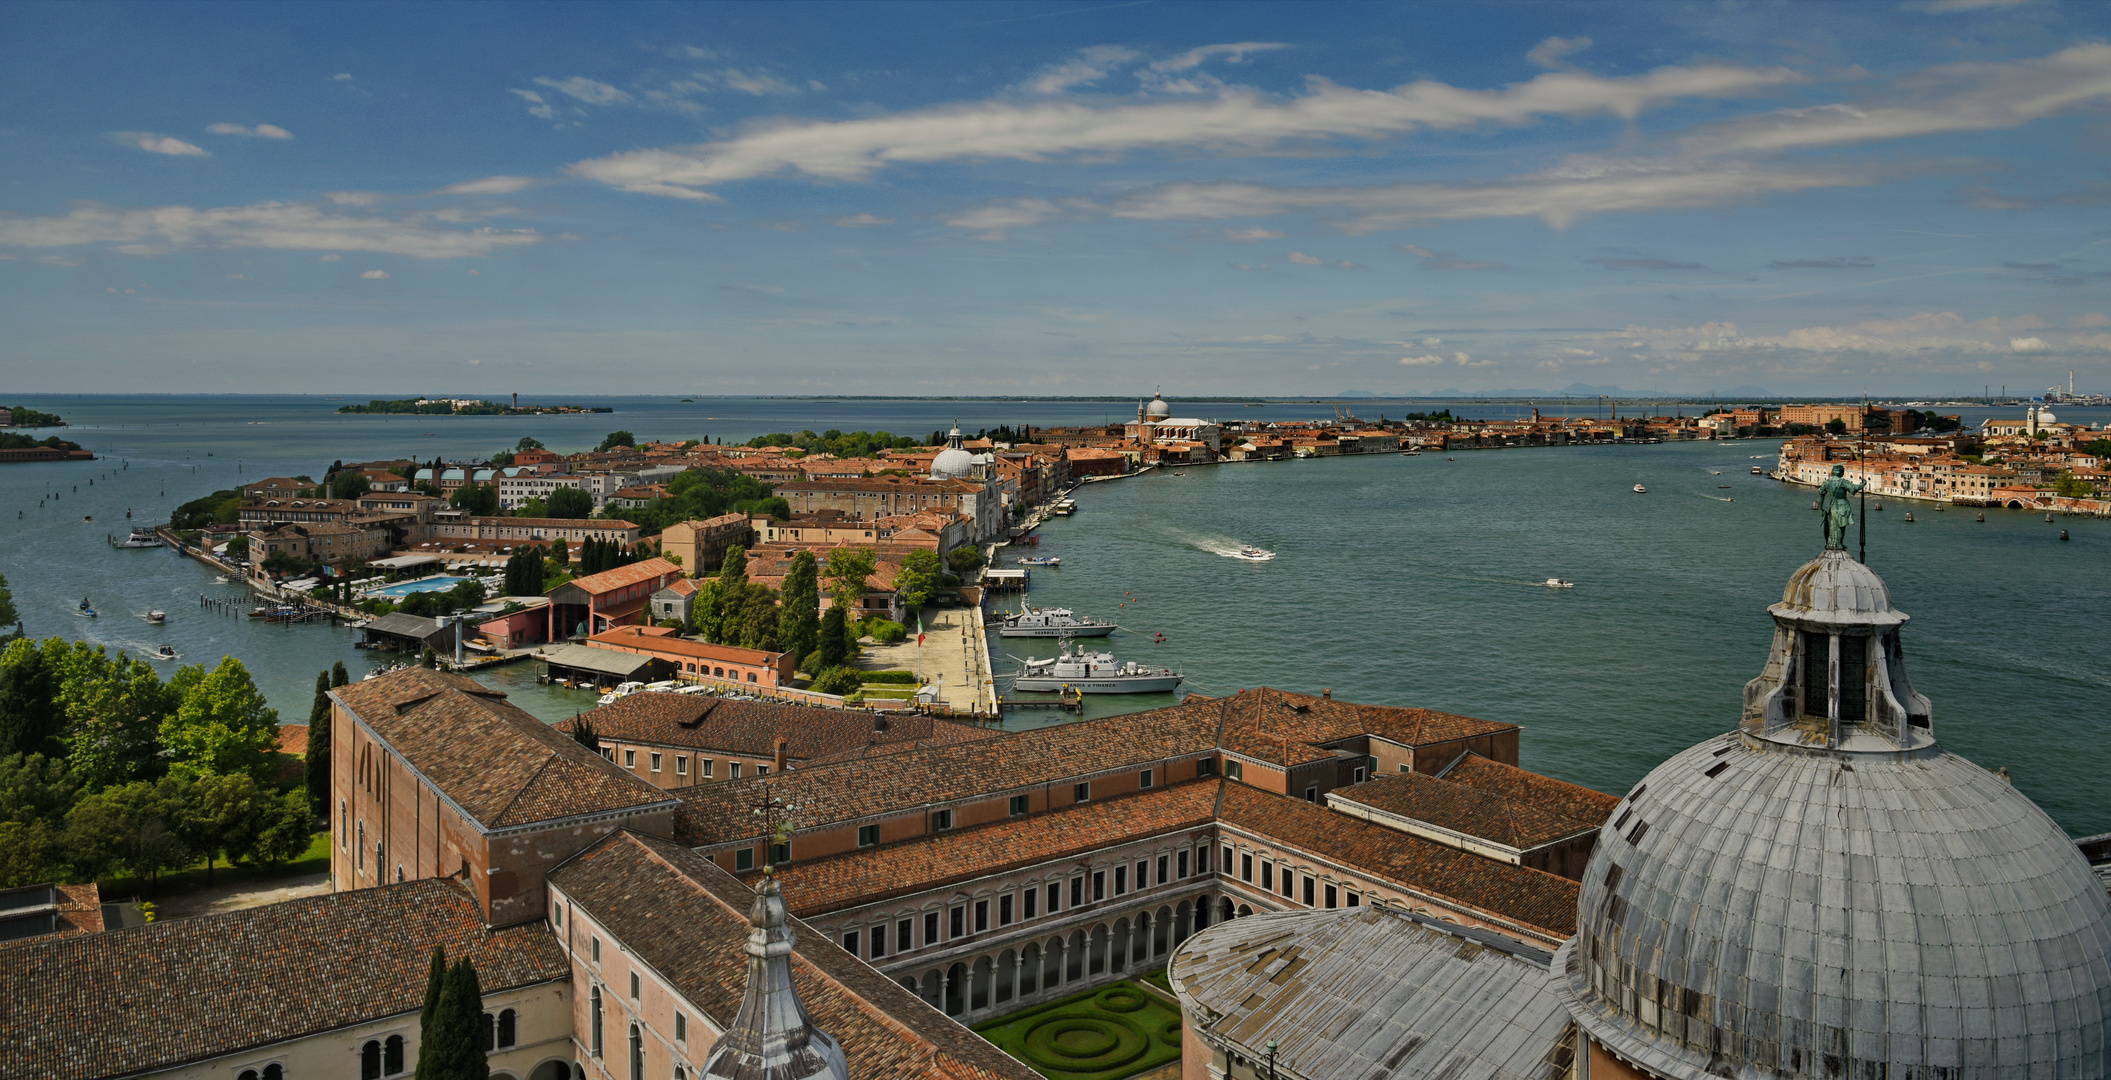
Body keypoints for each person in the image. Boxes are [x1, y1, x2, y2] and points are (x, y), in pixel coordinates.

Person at [1816, 464, 1866, 550]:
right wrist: (1864, 483)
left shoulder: (1827, 483)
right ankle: (1838, 543)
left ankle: (1833, 543)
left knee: (1833, 525)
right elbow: (1854, 488)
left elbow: (1821, 495)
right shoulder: (1843, 482)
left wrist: (1820, 508)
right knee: (1841, 526)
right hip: (1843, 506)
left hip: (1833, 507)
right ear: (1841, 472)